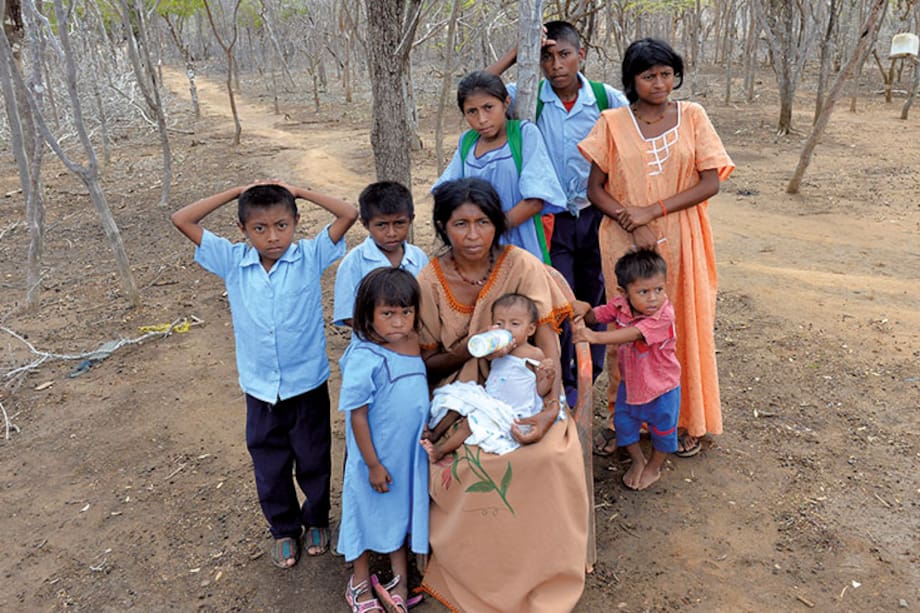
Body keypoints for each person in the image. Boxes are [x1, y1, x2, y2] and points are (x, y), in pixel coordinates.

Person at [416, 177, 588, 612]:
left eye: (483, 223)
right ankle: (477, 575)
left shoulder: (522, 265)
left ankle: (543, 571)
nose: (472, 235)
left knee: (548, 456)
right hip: (461, 389)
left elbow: (546, 340)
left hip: (529, 390)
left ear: (498, 225)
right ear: (442, 226)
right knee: (471, 461)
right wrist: (472, 351)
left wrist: (551, 408)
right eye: (460, 224)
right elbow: (427, 361)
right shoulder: (429, 280)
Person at [170, 182, 358, 568]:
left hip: (307, 383)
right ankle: (284, 529)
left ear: (296, 223)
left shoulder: (309, 255)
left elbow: (348, 213)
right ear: (242, 230)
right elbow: (182, 219)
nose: (273, 237)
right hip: (259, 389)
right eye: (260, 228)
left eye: (282, 225)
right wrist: (235, 191)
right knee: (269, 465)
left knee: (313, 458)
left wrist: (301, 191)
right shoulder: (232, 261)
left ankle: (317, 519)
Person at [578, 38, 734, 457]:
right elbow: (595, 189)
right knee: (626, 327)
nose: (660, 83)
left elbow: (710, 181)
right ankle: (623, 420)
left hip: (684, 236)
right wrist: (632, 219)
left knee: (683, 322)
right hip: (623, 241)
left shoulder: (693, 116)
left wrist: (653, 210)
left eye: (667, 74)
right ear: (632, 80)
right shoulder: (612, 122)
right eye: (649, 76)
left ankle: (685, 419)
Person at [487, 20, 629, 409]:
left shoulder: (605, 99)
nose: (556, 65)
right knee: (557, 298)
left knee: (595, 293)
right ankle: (562, 380)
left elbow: (635, 134)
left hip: (595, 215)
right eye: (547, 57)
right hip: (551, 220)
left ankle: (589, 375)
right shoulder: (528, 96)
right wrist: (519, 52)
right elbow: (481, 85)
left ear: (581, 56)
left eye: (564, 54)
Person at [337, 267, 429, 613]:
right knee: (364, 512)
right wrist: (373, 464)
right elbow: (357, 415)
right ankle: (359, 582)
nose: (398, 322)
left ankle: (399, 582)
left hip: (407, 456)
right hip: (375, 459)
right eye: (387, 314)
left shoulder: (413, 342)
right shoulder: (364, 356)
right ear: (367, 314)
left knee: (400, 513)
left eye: (406, 312)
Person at [433, 71, 567, 263]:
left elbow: (535, 200)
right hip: (477, 247)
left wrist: (492, 230)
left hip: (521, 243)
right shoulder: (467, 143)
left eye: (489, 107)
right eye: (472, 112)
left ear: (505, 103)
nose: (482, 119)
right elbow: (446, 192)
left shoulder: (523, 135)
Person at [573, 250, 679, 490]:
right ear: (624, 293)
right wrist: (586, 309)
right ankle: (638, 460)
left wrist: (595, 337)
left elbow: (635, 333)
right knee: (623, 425)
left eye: (659, 290)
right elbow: (597, 315)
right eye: (643, 292)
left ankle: (654, 467)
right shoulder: (620, 305)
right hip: (630, 386)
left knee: (663, 431)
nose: (653, 298)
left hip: (662, 389)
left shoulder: (664, 316)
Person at [421, 293, 554, 461]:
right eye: (499, 323)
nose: (506, 329)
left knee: (470, 423)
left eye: (515, 324)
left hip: (510, 410)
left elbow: (541, 391)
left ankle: (440, 451)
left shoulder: (534, 354)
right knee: (458, 402)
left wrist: (547, 376)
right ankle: (435, 434)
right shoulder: (496, 349)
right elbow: (480, 354)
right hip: (489, 400)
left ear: (530, 329)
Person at [333, 181, 428, 329]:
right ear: (365, 224)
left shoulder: (419, 258)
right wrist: (388, 334)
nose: (391, 233)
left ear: (411, 219)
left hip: (413, 344)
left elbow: (425, 305)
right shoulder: (354, 262)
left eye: (399, 223)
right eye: (381, 225)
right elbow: (348, 315)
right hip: (372, 346)